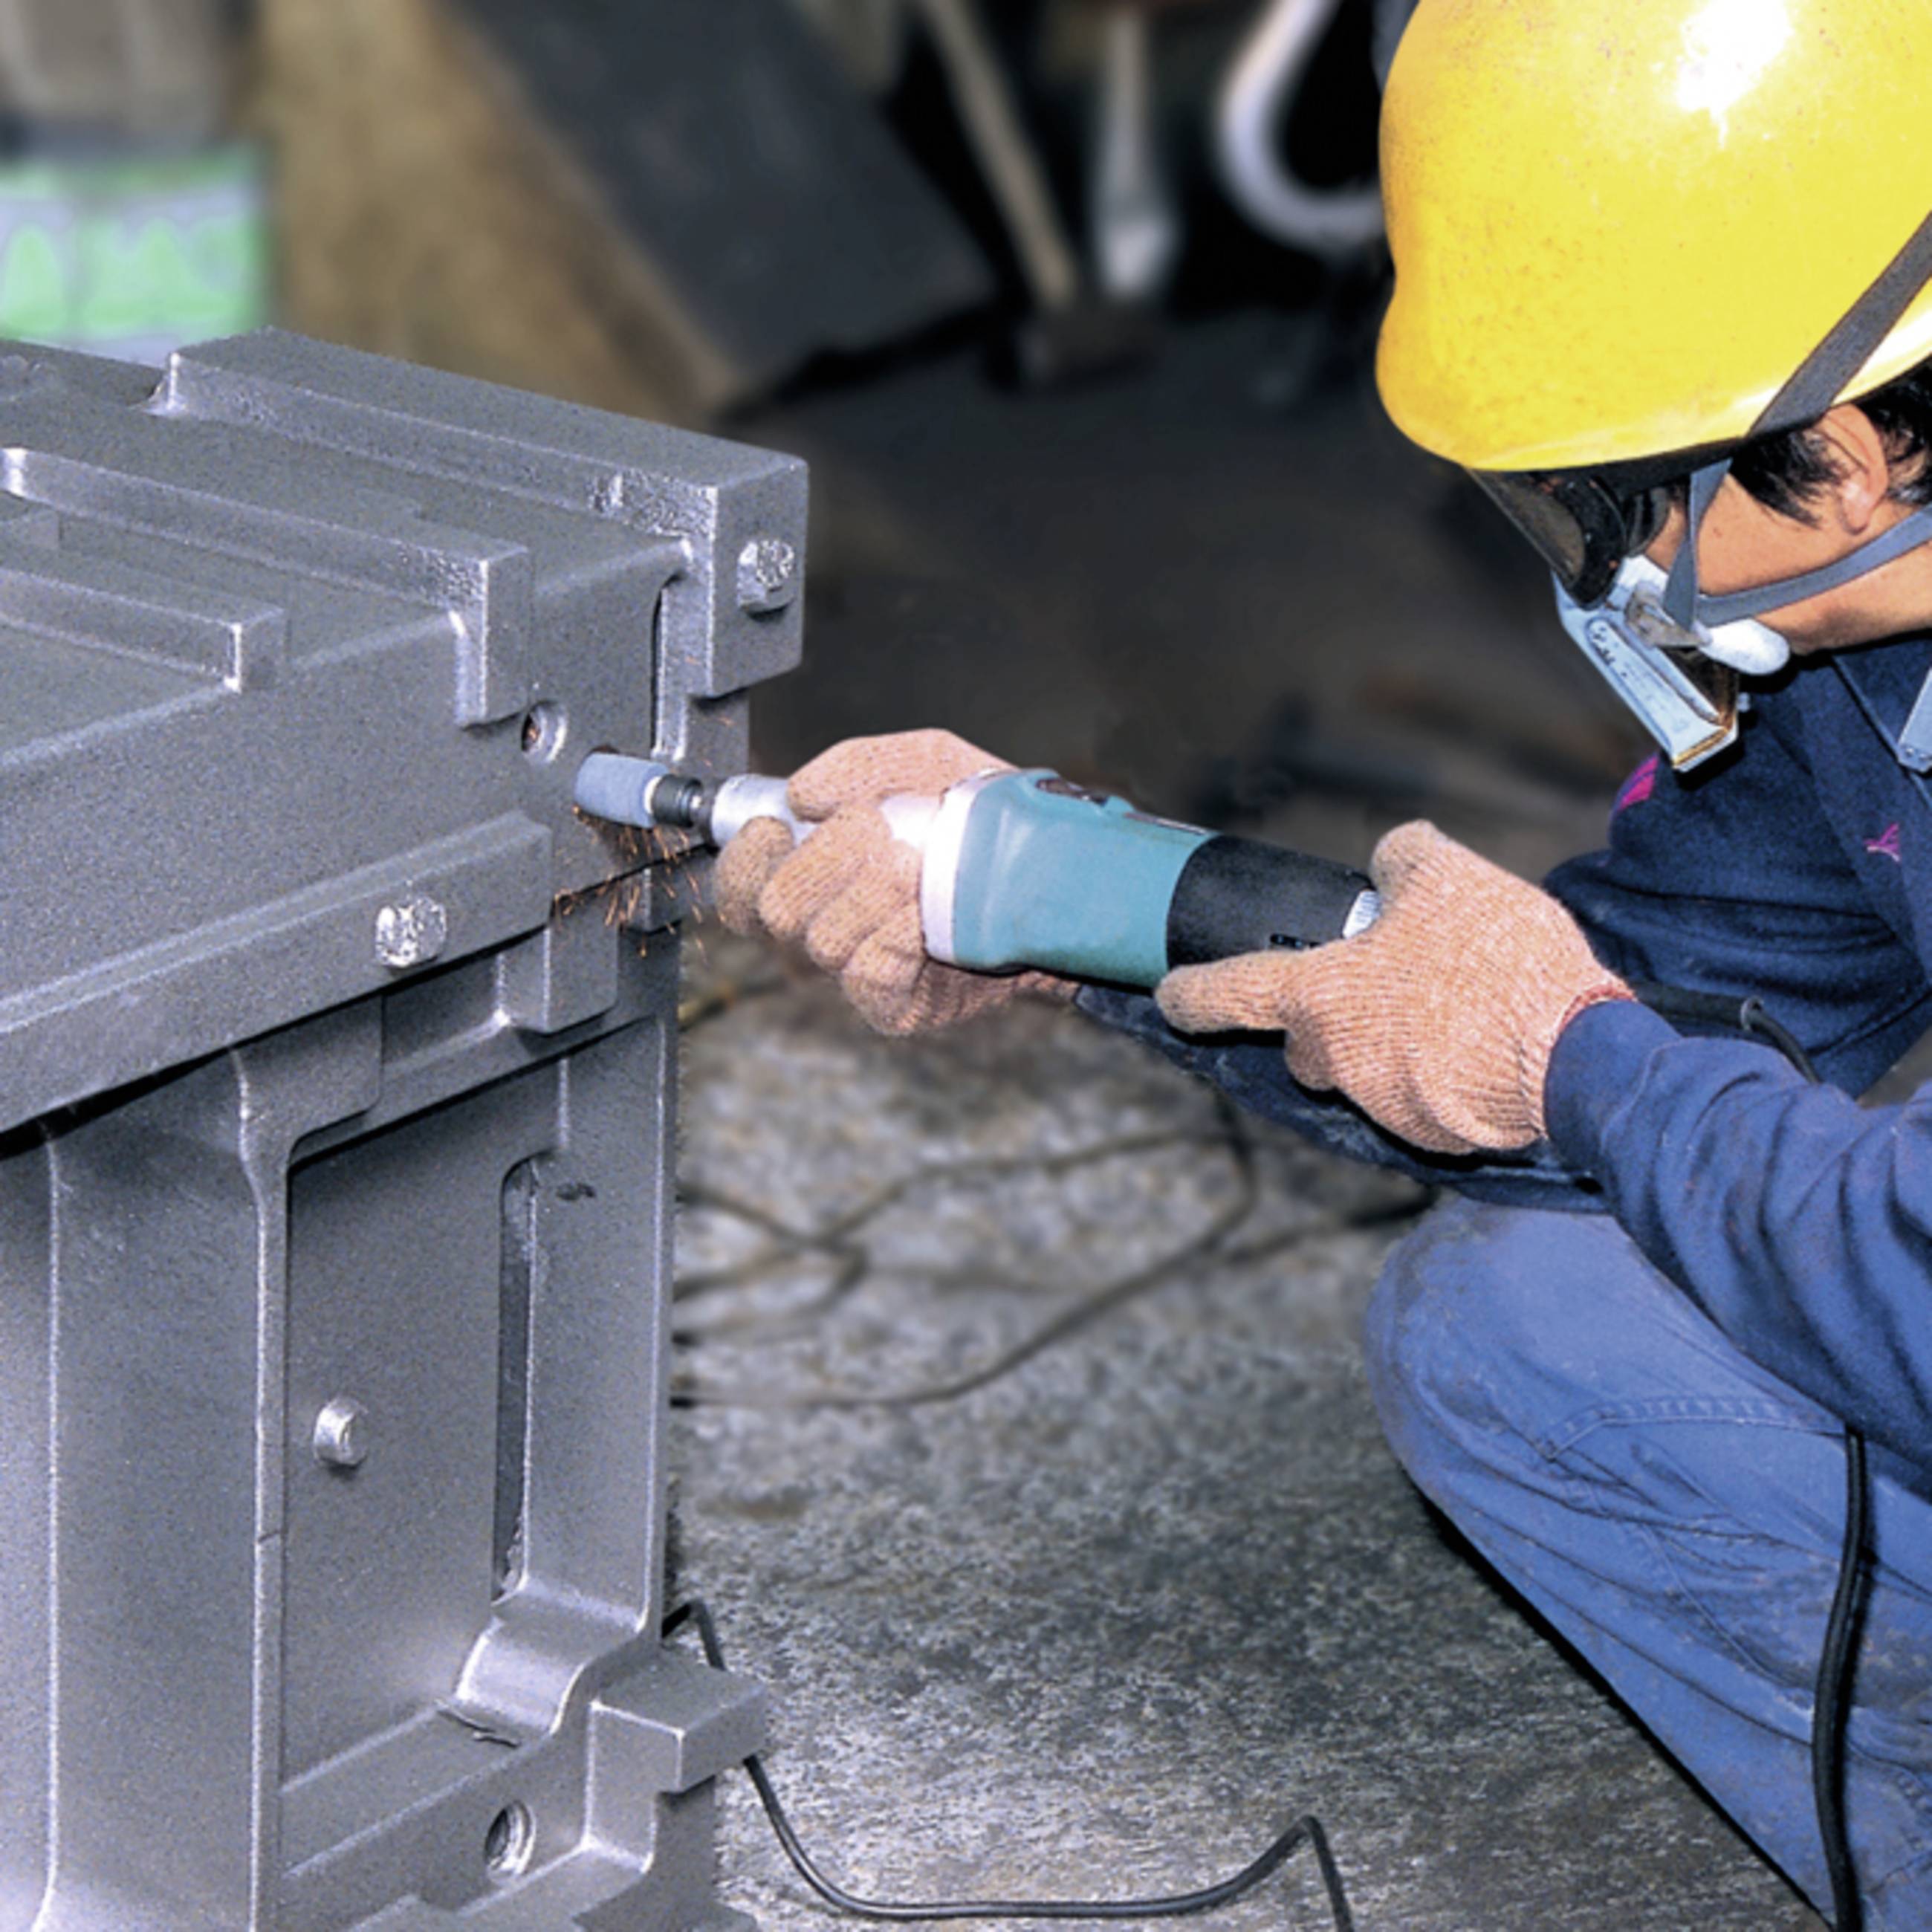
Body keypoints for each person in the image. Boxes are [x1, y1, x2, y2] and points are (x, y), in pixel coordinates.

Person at [713, 1, 1932, 1921]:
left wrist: (1583, 1067)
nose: (1594, 568)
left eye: (1608, 501)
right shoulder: (1876, 656)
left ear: (1851, 454)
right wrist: (1076, 897)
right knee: (1522, 1329)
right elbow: (1607, 997)